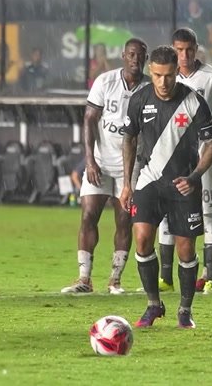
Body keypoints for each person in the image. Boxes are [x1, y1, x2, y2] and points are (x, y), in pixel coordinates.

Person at [119, 45, 212, 329]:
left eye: (169, 75)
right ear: (150, 72)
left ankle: (185, 310)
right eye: (158, 75)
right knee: (141, 239)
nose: (163, 82)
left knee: (185, 250)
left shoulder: (194, 101)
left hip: (183, 185)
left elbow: (211, 144)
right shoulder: (139, 100)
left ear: (177, 71)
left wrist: (195, 177)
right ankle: (153, 304)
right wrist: (126, 184)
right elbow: (129, 139)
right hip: (149, 181)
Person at [61, 38, 150, 295]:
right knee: (88, 215)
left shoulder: (149, 88)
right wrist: (89, 161)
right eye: (131, 54)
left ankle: (115, 280)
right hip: (100, 162)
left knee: (124, 221)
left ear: (145, 59)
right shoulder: (105, 81)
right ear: (123, 55)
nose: (135, 59)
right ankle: (84, 279)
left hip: (130, 166)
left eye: (140, 55)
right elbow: (89, 120)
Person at [157, 27, 212, 295]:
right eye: (179, 50)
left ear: (196, 49)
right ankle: (166, 278)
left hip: (205, 154)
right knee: (167, 215)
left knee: (209, 213)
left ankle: (209, 278)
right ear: (173, 49)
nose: (184, 55)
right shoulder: (165, 77)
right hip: (171, 157)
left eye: (189, 49)